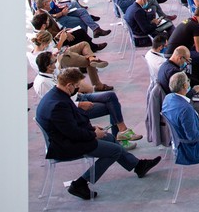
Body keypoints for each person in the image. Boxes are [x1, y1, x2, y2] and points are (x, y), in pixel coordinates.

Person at [35, 68, 161, 201]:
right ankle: (80, 183)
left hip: (66, 137)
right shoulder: (59, 105)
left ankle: (138, 166)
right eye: (77, 86)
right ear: (69, 85)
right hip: (65, 145)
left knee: (111, 138)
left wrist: (92, 128)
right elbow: (73, 133)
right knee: (115, 150)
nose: (78, 89)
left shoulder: (56, 95)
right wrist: (93, 134)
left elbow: (71, 125)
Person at [32, 52, 142, 147]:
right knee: (111, 107)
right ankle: (119, 141)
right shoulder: (43, 83)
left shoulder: (51, 73)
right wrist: (79, 104)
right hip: (74, 106)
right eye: (54, 61)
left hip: (77, 96)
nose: (56, 63)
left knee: (111, 96)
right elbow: (56, 104)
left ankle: (122, 131)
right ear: (48, 66)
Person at [166, 7, 199, 93]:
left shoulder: (189, 21)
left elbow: (197, 43)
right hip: (176, 54)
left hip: (172, 52)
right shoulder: (196, 26)